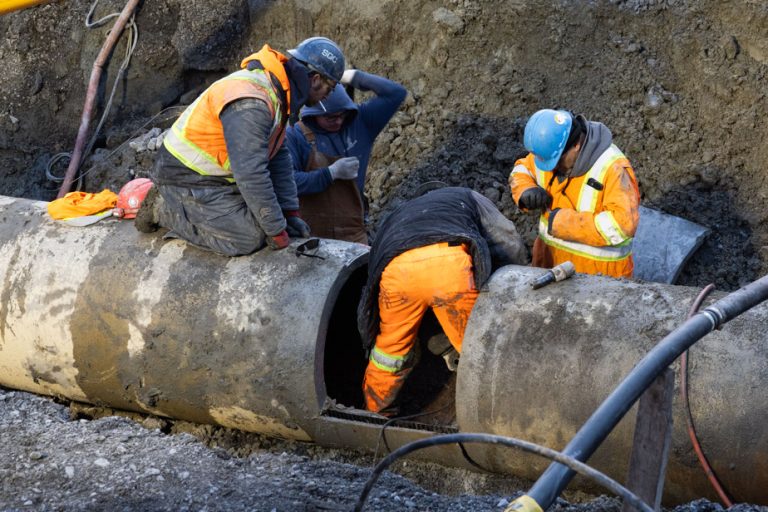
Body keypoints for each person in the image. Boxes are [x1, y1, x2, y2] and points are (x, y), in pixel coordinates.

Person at [136, 37, 346, 256]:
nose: (328, 96)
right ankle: (162, 207)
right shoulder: (253, 102)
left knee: (265, 218)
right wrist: (275, 228)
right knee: (248, 237)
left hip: (217, 178)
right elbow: (251, 173)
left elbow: (278, 155)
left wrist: (289, 212)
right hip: (184, 177)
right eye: (329, 89)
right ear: (315, 80)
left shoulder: (277, 93)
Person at [357, 186, 528, 416]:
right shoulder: (468, 196)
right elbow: (508, 241)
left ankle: (375, 410)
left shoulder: (399, 214)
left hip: (397, 273)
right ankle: (495, 413)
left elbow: (376, 262)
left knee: (390, 351)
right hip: (449, 266)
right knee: (476, 346)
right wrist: (520, 282)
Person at [509, 109, 640, 278]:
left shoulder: (612, 168)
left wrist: (563, 223)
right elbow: (521, 169)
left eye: (557, 161)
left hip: (599, 279)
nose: (552, 168)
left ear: (576, 144)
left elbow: (622, 226)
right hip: (549, 267)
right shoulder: (552, 151)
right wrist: (525, 190)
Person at [284, 70, 407, 244]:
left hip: (353, 232)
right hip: (311, 235)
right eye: (330, 117)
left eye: (342, 115)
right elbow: (288, 183)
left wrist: (353, 76)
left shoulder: (362, 123)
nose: (338, 121)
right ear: (314, 113)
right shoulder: (296, 135)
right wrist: (330, 174)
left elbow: (396, 93)